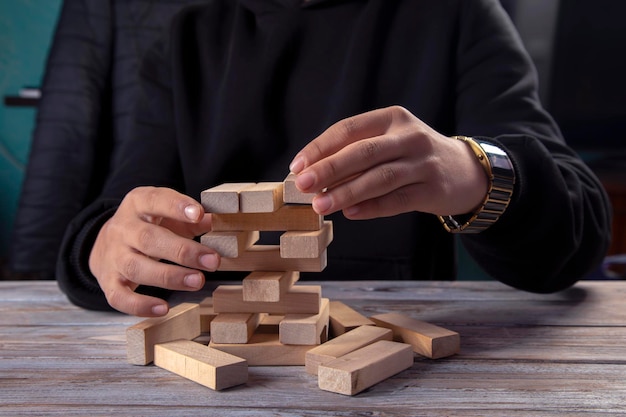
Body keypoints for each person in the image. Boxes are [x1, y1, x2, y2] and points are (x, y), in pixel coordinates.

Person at [56, 0, 612, 317]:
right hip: (219, 359)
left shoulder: (458, 13)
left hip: (400, 370)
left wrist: (475, 172)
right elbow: (121, 213)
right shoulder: (188, 36)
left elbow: (578, 234)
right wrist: (106, 247)